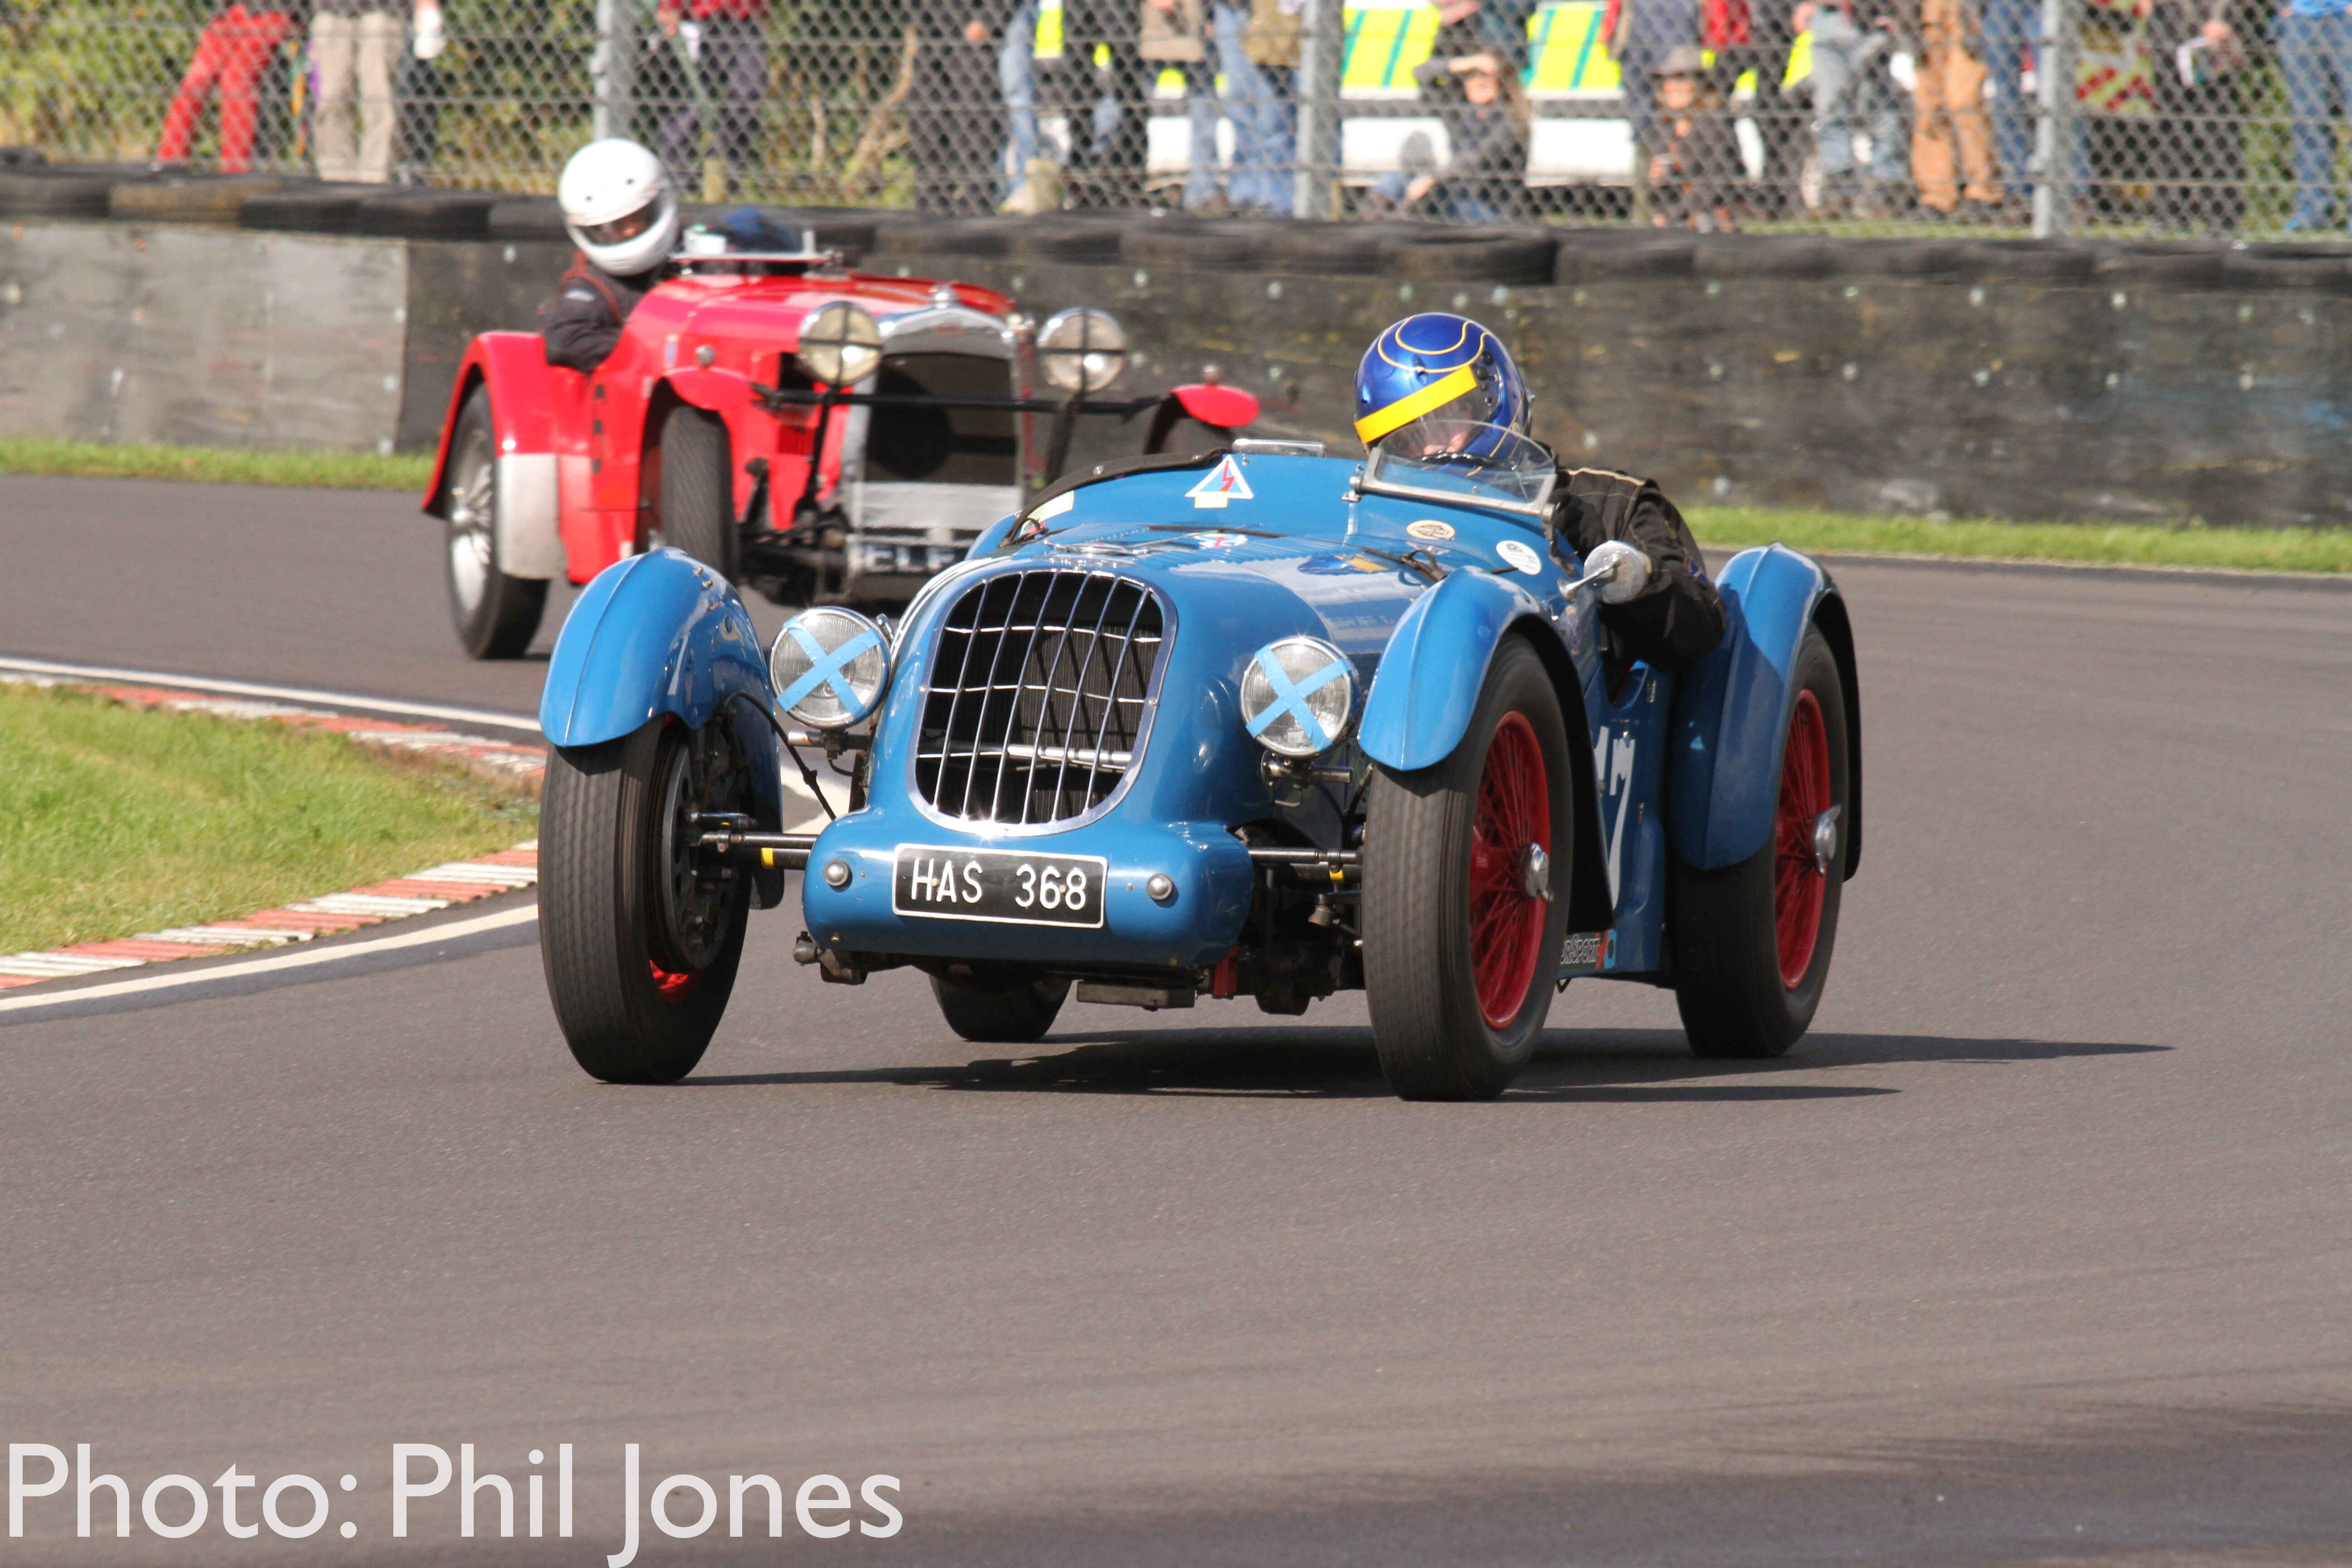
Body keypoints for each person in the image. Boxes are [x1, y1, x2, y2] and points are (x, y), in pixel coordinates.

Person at [1352, 314, 1725, 672]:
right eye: (1407, 440)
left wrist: (1595, 549)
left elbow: (1700, 632)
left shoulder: (1613, 502)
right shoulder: (1370, 508)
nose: (1432, 451)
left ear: (1493, 399)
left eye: (1450, 418)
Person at [536, 139, 680, 374]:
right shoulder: (593, 287)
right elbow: (564, 341)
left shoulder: (697, 260)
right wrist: (650, 349)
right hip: (631, 395)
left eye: (637, 217)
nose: (630, 230)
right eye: (617, 225)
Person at [156, 1, 305, 173]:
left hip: (273, 9)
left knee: (236, 81)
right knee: (198, 78)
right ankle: (170, 161)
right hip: (232, 9)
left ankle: (235, 169)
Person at [1380, 49, 1529, 220]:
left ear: (1502, 81)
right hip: (1453, 193)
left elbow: (1475, 159)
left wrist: (1432, 179)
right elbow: (1421, 73)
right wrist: (1466, 63)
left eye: (1487, 75)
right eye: (1472, 75)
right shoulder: (1461, 113)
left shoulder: (1511, 122)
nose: (1479, 81)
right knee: (1392, 182)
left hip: (1487, 208)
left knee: (1428, 194)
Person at [2147, 0, 2250, 233]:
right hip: (2171, 21)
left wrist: (2227, 20)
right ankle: (2170, 215)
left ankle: (2223, 219)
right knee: (2171, 129)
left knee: (2220, 132)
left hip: (2216, 29)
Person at [1797, 0, 1908, 215]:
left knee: (1878, 107)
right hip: (1829, 16)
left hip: (1872, 16)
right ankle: (1841, 189)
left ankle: (1887, 189)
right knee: (1831, 107)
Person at [309, 0, 438, 183]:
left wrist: (428, 7)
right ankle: (336, 176)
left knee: (378, 98)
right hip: (332, 11)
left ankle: (377, 177)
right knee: (332, 98)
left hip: (384, 12)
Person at [653, 0, 768, 196]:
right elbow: (666, 13)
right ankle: (676, 187)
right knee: (689, 107)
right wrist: (670, 12)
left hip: (746, 21)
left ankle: (721, 174)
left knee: (748, 96)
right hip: (699, 23)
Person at [910, 0, 1011, 213]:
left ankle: (977, 198)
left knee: (975, 116)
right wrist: (920, 17)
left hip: (973, 30)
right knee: (926, 117)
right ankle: (932, 197)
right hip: (932, 30)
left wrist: (987, 20)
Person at [1908, 0, 2000, 218]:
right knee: (1929, 108)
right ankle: (1937, 194)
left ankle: (1982, 189)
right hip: (1926, 12)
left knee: (1964, 102)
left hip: (1964, 10)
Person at [1647, 47, 1744, 229]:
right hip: (1678, 214)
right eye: (1670, 80)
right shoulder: (1664, 127)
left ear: (1699, 86)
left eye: (1683, 80)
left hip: (1709, 215)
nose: (1676, 87)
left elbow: (1720, 186)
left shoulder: (1714, 125)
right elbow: (1663, 195)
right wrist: (1657, 182)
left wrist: (1673, 214)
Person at [2278, 0, 2352, 229]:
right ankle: (2312, 212)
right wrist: (2283, 9)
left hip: (2346, 18)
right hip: (2301, 20)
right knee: (2308, 123)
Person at [1141, 0, 1223, 208]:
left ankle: (1202, 194)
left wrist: (1211, 15)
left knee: (1203, 110)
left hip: (1195, 22)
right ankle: (1128, 186)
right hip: (1151, 24)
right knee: (1132, 109)